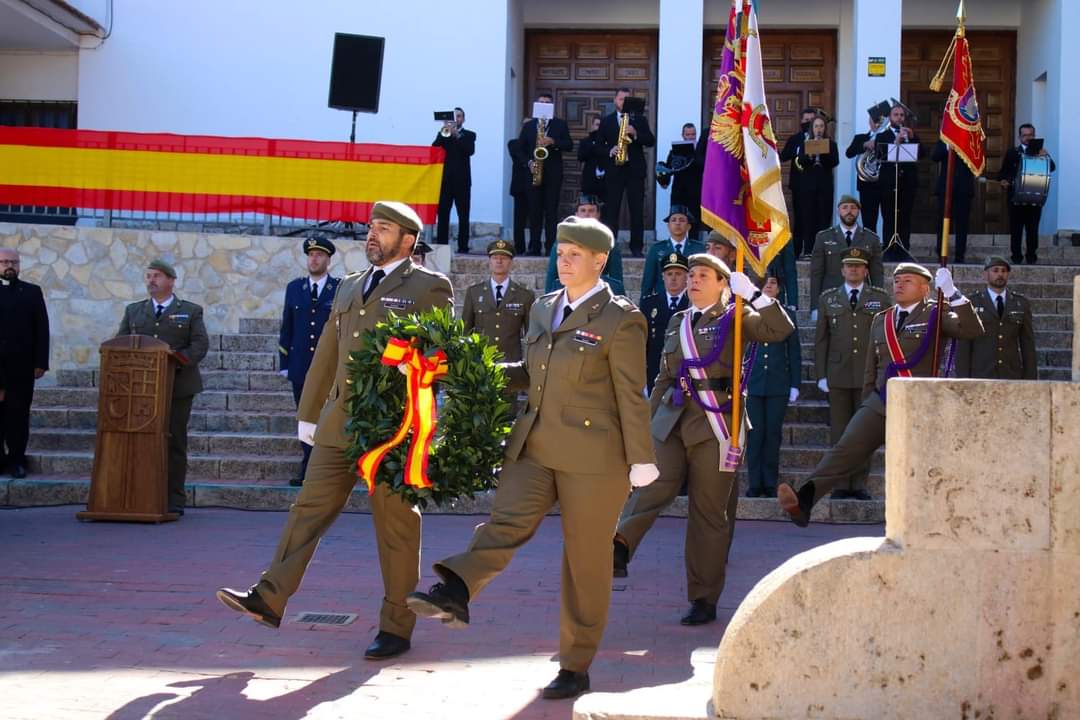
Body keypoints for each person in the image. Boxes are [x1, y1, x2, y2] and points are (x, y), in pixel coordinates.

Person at [406, 216, 657, 700]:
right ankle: (456, 588)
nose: (563, 262)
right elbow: (531, 372)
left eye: (574, 255)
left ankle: (576, 664)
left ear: (600, 261)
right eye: (560, 254)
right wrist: (474, 369)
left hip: (595, 458)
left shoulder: (620, 318)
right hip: (535, 444)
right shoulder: (544, 308)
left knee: (586, 564)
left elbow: (631, 392)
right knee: (505, 522)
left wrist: (640, 457)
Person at [217, 201, 453, 662]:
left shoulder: (430, 286)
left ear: (407, 240)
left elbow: (437, 354)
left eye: (383, 228)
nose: (372, 235)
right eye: (370, 227)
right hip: (338, 423)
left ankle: (396, 625)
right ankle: (269, 597)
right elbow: (327, 351)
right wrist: (308, 413)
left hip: (391, 427)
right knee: (307, 509)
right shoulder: (348, 286)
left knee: (396, 527)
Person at [613, 253, 794, 626]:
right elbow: (664, 375)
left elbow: (781, 329)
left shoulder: (738, 317)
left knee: (709, 514)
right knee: (651, 483)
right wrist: (645, 427)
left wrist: (756, 296)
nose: (692, 280)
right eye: (691, 274)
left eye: (702, 275)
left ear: (723, 284)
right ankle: (619, 546)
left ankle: (704, 597)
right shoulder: (679, 320)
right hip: (672, 418)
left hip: (716, 424)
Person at [779, 263, 983, 526]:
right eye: (897, 280)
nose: (899, 285)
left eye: (907, 281)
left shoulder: (936, 313)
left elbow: (972, 330)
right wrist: (867, 399)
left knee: (918, 466)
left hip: (919, 404)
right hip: (881, 400)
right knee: (846, 448)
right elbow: (871, 366)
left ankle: (931, 519)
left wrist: (953, 293)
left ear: (925, 288)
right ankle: (805, 500)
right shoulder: (882, 319)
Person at [117, 259, 209, 514]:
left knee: (174, 442)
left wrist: (177, 362)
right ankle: (139, 494)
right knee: (139, 441)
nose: (151, 281)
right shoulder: (134, 311)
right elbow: (121, 342)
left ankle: (173, 499)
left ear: (171, 280)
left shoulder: (190, 311)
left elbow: (199, 344)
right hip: (141, 389)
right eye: (148, 276)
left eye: (156, 276)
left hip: (177, 387)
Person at [813, 247, 892, 500]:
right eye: (849, 266)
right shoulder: (829, 298)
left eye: (858, 266)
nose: (854, 270)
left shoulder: (880, 298)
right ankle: (839, 484)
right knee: (840, 433)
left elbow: (885, 339)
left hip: (868, 376)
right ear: (842, 270)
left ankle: (858, 484)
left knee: (863, 434)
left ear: (866, 270)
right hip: (837, 373)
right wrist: (821, 374)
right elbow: (821, 340)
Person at [278, 238, 340, 486]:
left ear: (328, 260)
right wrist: (285, 361)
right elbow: (287, 326)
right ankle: (309, 466)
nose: (314, 259)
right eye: (311, 255)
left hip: (329, 366)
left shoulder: (339, 288)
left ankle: (326, 467)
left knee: (328, 417)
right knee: (305, 418)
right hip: (301, 364)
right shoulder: (295, 288)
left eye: (319, 255)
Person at [746, 274, 802, 498]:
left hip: (778, 383)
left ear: (779, 289)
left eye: (773, 284)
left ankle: (769, 483)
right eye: (764, 284)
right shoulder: (748, 312)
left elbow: (794, 352)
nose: (769, 286)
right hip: (753, 383)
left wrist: (795, 383)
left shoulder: (787, 315)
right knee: (755, 434)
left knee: (772, 435)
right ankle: (754, 483)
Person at [0, 247, 49, 480]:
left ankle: (17, 460)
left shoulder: (31, 292)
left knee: (18, 416)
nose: (10, 266)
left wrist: (40, 362)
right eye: (5, 262)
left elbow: (42, 329)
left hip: (21, 367)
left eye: (14, 262)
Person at [955, 256, 1037, 380]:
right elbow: (963, 345)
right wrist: (963, 379)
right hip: (980, 374)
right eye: (995, 270)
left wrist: (1030, 378)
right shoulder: (973, 302)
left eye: (1004, 271)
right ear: (985, 274)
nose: (1000, 274)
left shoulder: (1020, 303)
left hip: (1011, 374)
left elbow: (1027, 344)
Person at [600, 87, 656, 257]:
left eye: (626, 99)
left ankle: (636, 248)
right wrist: (610, 150)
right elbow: (598, 146)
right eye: (620, 99)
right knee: (611, 210)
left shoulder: (639, 120)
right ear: (615, 101)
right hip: (614, 171)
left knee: (636, 210)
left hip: (634, 171)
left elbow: (650, 141)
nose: (623, 102)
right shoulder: (607, 121)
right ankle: (610, 247)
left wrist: (636, 133)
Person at [461, 239, 536, 364]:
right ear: (489, 261)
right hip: (481, 361)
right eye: (495, 257)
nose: (499, 261)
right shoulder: (474, 292)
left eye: (504, 258)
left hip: (512, 363)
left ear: (511, 262)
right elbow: (465, 330)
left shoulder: (525, 295)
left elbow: (530, 334)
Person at [810, 195, 884, 316]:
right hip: (831, 299)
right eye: (845, 207)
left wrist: (877, 303)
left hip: (861, 299)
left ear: (858, 212)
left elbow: (877, 275)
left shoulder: (871, 239)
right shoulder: (823, 238)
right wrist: (815, 306)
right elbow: (816, 274)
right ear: (838, 210)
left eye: (853, 208)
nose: (849, 211)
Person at [522, 93, 574, 256]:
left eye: (547, 103)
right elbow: (520, 149)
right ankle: (534, 246)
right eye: (541, 102)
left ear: (552, 106)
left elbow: (569, 145)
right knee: (534, 210)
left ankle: (551, 246)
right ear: (536, 105)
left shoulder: (560, 125)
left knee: (551, 210)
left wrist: (553, 142)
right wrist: (529, 162)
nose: (544, 105)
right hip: (534, 171)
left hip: (553, 173)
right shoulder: (529, 126)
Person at [998, 123, 1056, 265]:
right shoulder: (1012, 153)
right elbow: (1002, 173)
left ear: (1034, 136)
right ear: (1019, 137)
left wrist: (1046, 155)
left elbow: (1052, 168)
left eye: (1030, 135)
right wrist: (1004, 180)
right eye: (1024, 135)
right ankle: (1016, 257)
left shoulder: (1040, 152)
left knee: (1032, 229)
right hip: (1015, 197)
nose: (1028, 138)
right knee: (1016, 229)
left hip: (1034, 197)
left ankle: (1031, 256)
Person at [545, 196, 625, 295]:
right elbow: (552, 275)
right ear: (576, 214)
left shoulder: (606, 241)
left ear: (598, 214)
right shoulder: (563, 240)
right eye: (583, 210)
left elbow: (616, 277)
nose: (587, 214)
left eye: (591, 211)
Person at [708, 231, 798, 311]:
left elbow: (790, 271)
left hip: (770, 295)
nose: (710, 253)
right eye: (708, 247)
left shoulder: (779, 231)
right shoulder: (737, 229)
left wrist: (792, 303)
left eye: (717, 248)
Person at [640, 252, 689, 394]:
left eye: (678, 274)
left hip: (682, 373)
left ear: (687, 277)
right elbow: (643, 341)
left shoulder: (692, 304)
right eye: (669, 274)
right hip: (654, 371)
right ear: (662, 277)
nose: (673, 278)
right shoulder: (649, 304)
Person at [876, 104, 919, 261]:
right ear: (890, 117)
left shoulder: (911, 135)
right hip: (888, 182)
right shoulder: (883, 136)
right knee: (888, 215)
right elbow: (879, 154)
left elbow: (922, 154)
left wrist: (912, 139)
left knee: (905, 216)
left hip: (907, 182)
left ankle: (904, 248)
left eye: (902, 115)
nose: (899, 118)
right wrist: (896, 141)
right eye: (896, 115)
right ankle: (888, 247)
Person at [792, 115, 839, 257]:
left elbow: (834, 162)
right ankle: (808, 251)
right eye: (816, 126)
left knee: (824, 217)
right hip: (808, 187)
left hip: (824, 187)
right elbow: (800, 161)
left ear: (825, 128)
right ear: (812, 128)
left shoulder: (831, 144)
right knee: (808, 218)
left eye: (821, 126)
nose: (819, 129)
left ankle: (823, 251)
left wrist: (823, 153)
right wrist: (810, 155)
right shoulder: (805, 143)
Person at [640, 205, 706, 302]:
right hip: (663, 302)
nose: (677, 223)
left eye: (682, 220)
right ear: (668, 225)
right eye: (674, 220)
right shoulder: (656, 249)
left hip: (691, 302)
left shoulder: (699, 249)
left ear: (688, 226)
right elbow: (647, 283)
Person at [432, 107, 476, 253]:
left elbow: (469, 150)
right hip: (445, 181)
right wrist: (443, 131)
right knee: (443, 214)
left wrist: (456, 134)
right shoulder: (444, 134)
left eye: (459, 116)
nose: (456, 119)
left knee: (463, 215)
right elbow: (434, 149)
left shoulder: (469, 135)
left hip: (462, 181)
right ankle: (441, 245)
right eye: (454, 117)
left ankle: (463, 246)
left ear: (463, 119)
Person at [779, 108, 818, 256]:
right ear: (801, 121)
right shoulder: (795, 139)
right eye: (805, 120)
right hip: (799, 185)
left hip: (816, 185)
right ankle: (795, 252)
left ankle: (811, 250)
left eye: (811, 121)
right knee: (799, 218)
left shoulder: (821, 138)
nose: (808, 123)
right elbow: (784, 157)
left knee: (814, 218)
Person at [932, 139, 976, 264]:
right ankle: (941, 253)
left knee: (962, 223)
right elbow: (935, 156)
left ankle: (960, 254)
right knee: (942, 222)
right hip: (945, 187)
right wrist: (948, 147)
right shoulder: (943, 140)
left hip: (964, 188)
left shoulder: (970, 140)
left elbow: (975, 161)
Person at [658, 123, 704, 233]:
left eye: (693, 134)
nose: (690, 137)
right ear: (683, 135)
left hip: (695, 191)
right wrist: (663, 180)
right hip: (679, 191)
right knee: (676, 220)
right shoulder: (674, 151)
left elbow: (705, 167)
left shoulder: (700, 151)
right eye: (688, 134)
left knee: (694, 222)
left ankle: (694, 247)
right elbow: (669, 169)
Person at [845, 112, 885, 235]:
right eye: (874, 121)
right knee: (868, 219)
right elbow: (849, 153)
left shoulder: (888, 137)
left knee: (888, 218)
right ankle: (869, 246)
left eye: (880, 121)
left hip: (885, 183)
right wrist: (864, 145)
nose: (877, 124)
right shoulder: (860, 138)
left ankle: (887, 247)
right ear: (869, 122)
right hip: (866, 184)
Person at [507, 130, 532, 255]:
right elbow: (518, 153)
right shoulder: (514, 143)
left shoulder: (537, 144)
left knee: (535, 218)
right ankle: (519, 246)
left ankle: (534, 246)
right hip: (520, 186)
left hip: (536, 186)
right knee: (519, 220)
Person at [578, 116, 607, 200]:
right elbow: (581, 157)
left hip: (605, 183)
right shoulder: (585, 141)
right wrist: (594, 143)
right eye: (597, 125)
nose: (599, 128)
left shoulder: (609, 142)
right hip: (589, 181)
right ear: (592, 126)